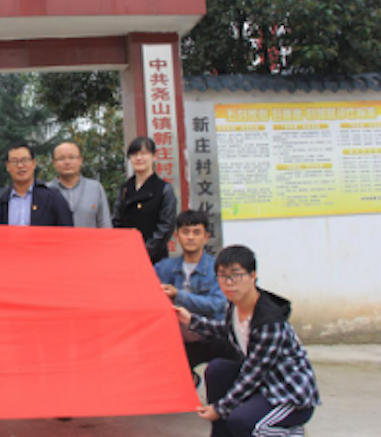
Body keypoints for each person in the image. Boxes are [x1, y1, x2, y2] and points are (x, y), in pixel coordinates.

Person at [175, 245, 320, 437]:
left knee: (243, 422)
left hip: (288, 393)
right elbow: (228, 329)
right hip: (264, 383)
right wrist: (191, 321)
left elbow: (254, 373)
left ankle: (292, 433)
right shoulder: (235, 306)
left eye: (236, 275)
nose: (229, 283)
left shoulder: (269, 322)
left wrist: (220, 408)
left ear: (253, 276)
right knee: (217, 370)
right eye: (223, 276)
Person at [154, 210, 231, 381]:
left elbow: (216, 305)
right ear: (177, 236)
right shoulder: (163, 268)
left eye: (196, 232)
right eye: (186, 232)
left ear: (206, 237)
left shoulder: (218, 269)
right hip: (176, 339)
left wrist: (178, 295)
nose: (190, 237)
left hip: (211, 335)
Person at [112, 136, 177, 264]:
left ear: (154, 156)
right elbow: (116, 220)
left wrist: (144, 251)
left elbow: (166, 226)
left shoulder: (164, 189)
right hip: (126, 254)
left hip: (153, 258)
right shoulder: (125, 189)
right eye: (134, 154)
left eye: (143, 153)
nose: (139, 158)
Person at [0, 142, 73, 227]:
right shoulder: (0, 199)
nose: (20, 165)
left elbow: (67, 231)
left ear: (33, 163)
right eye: (14, 161)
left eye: (25, 160)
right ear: (7, 166)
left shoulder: (52, 197)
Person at [46, 141, 112, 228]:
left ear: (80, 160)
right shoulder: (45, 191)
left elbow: (105, 224)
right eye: (61, 158)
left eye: (72, 157)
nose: (67, 162)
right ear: (54, 163)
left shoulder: (95, 188)